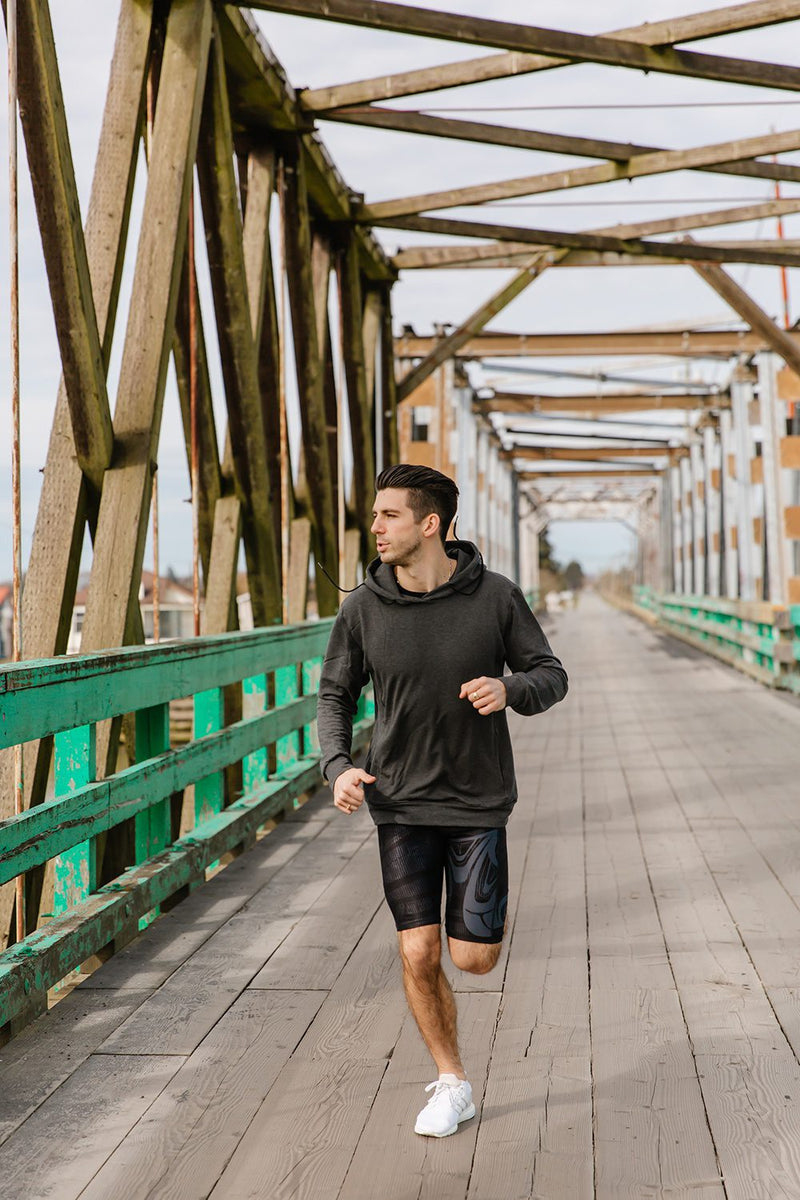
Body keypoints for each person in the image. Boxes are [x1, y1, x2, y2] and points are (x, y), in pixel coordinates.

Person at [317, 464, 568, 1138]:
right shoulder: (361, 608)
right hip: (398, 803)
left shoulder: (496, 599)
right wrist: (337, 765)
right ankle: (452, 1082)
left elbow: (551, 675)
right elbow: (335, 694)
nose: (375, 527)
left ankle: (474, 947)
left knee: (472, 958)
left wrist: (509, 689)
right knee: (418, 951)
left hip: (478, 802)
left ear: (430, 524)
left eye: (388, 515)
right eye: (374, 515)